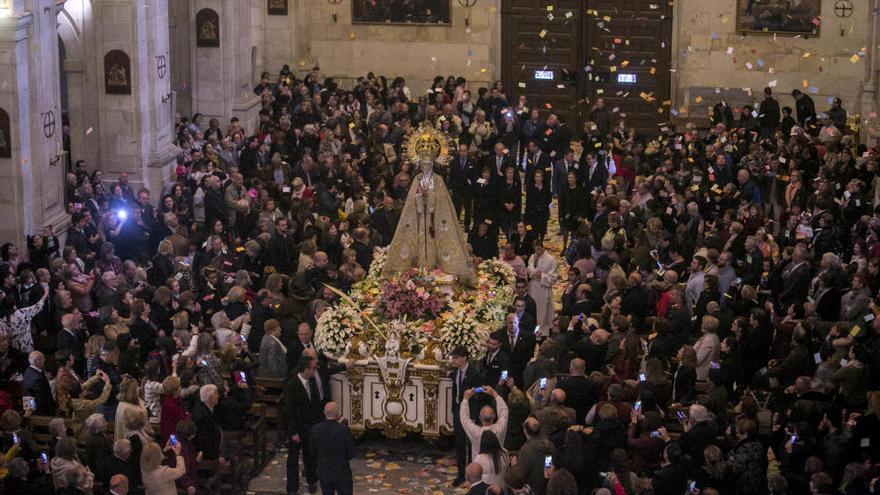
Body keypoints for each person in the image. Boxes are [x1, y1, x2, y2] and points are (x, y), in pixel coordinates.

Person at [383, 159, 476, 284]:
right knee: (420, 238)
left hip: (435, 217)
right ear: (420, 166)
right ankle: (420, 262)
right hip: (421, 217)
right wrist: (420, 198)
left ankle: (436, 262)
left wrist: (431, 197)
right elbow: (412, 198)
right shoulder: (417, 179)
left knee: (436, 238)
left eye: (428, 165)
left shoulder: (438, 180)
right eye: (424, 165)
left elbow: (442, 198)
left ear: (432, 165)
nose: (426, 167)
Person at [283, 354, 323, 494]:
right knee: (293, 460)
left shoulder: (311, 382)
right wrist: (293, 432)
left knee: (310, 456)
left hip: (309, 427)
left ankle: (312, 480)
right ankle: (292, 488)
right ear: (305, 369)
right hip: (297, 428)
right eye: (313, 368)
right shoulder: (293, 385)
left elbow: (315, 405)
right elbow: (289, 410)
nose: (314, 371)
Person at [450, 346, 484, 486]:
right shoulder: (455, 372)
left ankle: (471, 471)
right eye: (453, 358)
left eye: (456, 358)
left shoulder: (474, 373)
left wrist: (475, 415)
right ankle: (460, 474)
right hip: (458, 410)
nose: (454, 361)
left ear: (464, 358)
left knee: (471, 443)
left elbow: (480, 391)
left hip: (470, 411)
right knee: (459, 442)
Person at [309, 402, 354, 495]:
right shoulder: (343, 430)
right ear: (338, 414)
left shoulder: (315, 429)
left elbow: (313, 450)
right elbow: (351, 453)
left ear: (324, 413)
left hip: (324, 472)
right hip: (342, 472)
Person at [460, 386, 509, 463]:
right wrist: (495, 394)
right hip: (498, 466)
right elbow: (504, 411)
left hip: (479, 467)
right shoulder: (500, 428)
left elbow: (464, 418)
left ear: (480, 417)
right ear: (495, 416)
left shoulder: (475, 432)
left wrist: (465, 399)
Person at [527, 241, 558, 336]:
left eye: (539, 249)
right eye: (535, 250)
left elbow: (554, 277)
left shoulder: (551, 260)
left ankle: (542, 330)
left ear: (542, 247)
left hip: (543, 288)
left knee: (542, 311)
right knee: (532, 308)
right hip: (533, 287)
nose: (537, 252)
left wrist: (543, 276)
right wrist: (534, 266)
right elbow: (529, 269)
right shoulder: (533, 257)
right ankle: (532, 328)